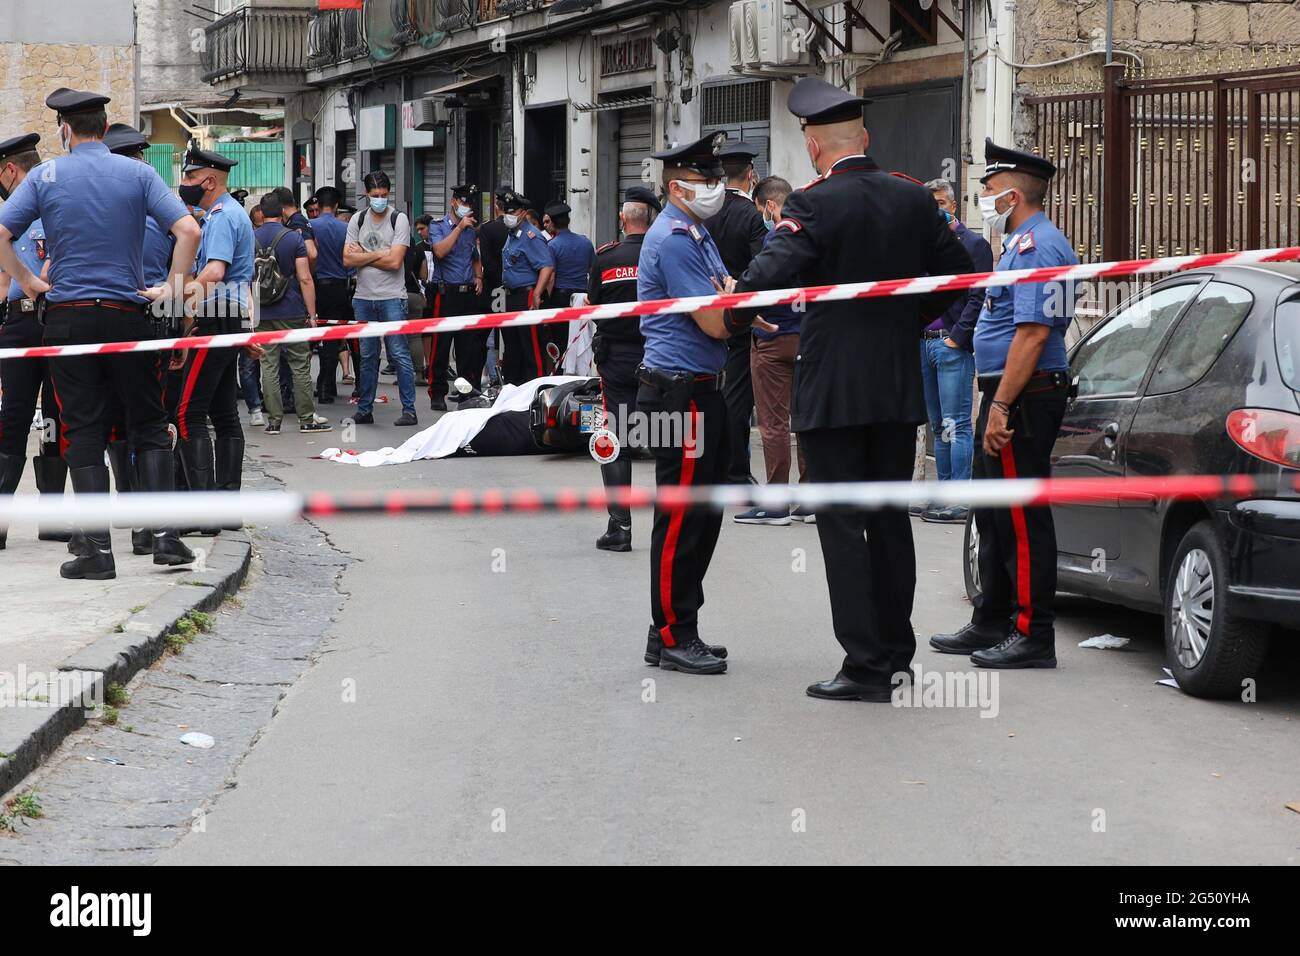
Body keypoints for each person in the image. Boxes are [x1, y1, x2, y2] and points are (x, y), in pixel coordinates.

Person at [736, 77, 974, 701]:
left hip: (835, 390)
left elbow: (764, 276)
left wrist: (730, 313)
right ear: (864, 139)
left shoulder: (813, 204)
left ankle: (864, 664)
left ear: (813, 147)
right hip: (896, 388)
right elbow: (962, 276)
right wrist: (907, 323)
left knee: (843, 524)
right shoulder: (914, 197)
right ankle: (896, 654)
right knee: (891, 519)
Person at [0, 88, 203, 578]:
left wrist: (28, 281)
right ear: (106, 127)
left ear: (65, 129)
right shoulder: (137, 173)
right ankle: (165, 537)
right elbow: (190, 231)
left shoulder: (45, 174)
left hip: (68, 319)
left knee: (82, 428)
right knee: (149, 424)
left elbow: (2, 233)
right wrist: (172, 292)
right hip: (128, 313)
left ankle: (96, 552)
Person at [928, 139, 1077, 670]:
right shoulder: (1019, 244)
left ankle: (1032, 632)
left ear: (1013, 195)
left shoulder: (1041, 246)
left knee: (1020, 515)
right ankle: (991, 618)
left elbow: (1034, 335)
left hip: (1026, 392)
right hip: (1007, 389)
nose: (983, 200)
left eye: (989, 190)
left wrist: (1001, 407)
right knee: (991, 512)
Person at [638, 132, 777, 675]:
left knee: (704, 514)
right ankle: (672, 634)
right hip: (679, 394)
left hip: (704, 388)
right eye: (704, 180)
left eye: (717, 179)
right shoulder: (673, 238)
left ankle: (677, 627)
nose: (716, 188)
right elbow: (717, 318)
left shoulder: (696, 231)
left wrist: (748, 304)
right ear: (677, 186)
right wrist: (742, 313)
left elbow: (725, 286)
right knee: (680, 518)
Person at [171, 147, 257, 532]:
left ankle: (204, 511)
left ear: (209, 181)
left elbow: (216, 272)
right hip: (228, 320)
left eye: (190, 178)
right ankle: (225, 505)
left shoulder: (222, 218)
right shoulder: (229, 214)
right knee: (224, 415)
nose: (185, 185)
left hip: (217, 321)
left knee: (188, 413)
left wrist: (173, 292)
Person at [0, 133, 68, 550]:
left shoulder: (17, 212)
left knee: (21, 418)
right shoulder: (58, 208)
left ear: (11, 169)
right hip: (49, 322)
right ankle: (47, 520)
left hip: (31, 321)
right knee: (51, 417)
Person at [914, 177, 994, 524]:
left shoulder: (974, 244)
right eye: (930, 206)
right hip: (924, 345)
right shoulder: (922, 245)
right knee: (936, 424)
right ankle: (944, 494)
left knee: (956, 423)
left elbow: (978, 296)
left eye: (941, 205)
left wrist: (957, 338)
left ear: (954, 206)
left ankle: (960, 500)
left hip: (951, 345)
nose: (936, 211)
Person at [733, 175, 810, 526]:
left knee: (774, 423)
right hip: (807, 339)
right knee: (805, 420)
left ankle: (776, 502)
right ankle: (809, 499)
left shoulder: (776, 239)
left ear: (769, 206)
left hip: (773, 339)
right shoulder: (809, 235)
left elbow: (756, 282)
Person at [587, 185, 660, 553]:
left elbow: (591, 305)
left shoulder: (605, 258)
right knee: (669, 438)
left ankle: (621, 528)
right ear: (654, 218)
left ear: (622, 218)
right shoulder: (665, 254)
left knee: (618, 441)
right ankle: (671, 528)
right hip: (661, 359)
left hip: (617, 361)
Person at [704, 141, 767, 488]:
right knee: (736, 395)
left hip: (702, 314)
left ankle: (709, 464)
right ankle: (735, 470)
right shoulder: (751, 217)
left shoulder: (704, 213)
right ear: (750, 176)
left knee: (707, 389)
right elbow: (762, 267)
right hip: (739, 316)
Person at [344, 170, 417, 426]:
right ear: (366, 194)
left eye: (384, 195)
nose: (380, 199)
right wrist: (378, 254)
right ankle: (365, 409)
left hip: (392, 298)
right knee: (367, 356)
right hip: (363, 298)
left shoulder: (399, 220)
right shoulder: (358, 219)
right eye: (375, 195)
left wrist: (363, 253)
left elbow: (396, 262)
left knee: (399, 354)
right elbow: (347, 259)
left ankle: (409, 410)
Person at [254, 193, 330, 435]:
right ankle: (306, 419)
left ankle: (273, 422)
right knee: (299, 365)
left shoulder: (249, 239)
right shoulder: (293, 239)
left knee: (268, 366)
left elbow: (246, 279)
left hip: (262, 312)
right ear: (283, 212)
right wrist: (312, 313)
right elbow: (305, 278)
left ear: (261, 213)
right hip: (293, 311)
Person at [424, 184, 486, 410]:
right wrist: (459, 228)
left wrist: (478, 277)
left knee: (467, 349)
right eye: (463, 203)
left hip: (467, 294)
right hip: (446, 293)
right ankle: (437, 393)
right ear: (453, 202)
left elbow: (474, 256)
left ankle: (465, 393)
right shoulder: (438, 226)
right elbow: (440, 251)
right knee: (440, 347)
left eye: (470, 204)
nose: (467, 208)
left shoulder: (472, 230)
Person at [499, 191, 555, 384]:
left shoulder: (532, 236)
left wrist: (537, 294)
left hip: (526, 296)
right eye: (506, 211)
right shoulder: (512, 234)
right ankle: (514, 390)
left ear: (523, 213)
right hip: (511, 297)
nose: (508, 215)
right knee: (513, 349)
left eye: (512, 211)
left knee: (531, 349)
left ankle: (535, 389)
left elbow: (546, 266)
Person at [310, 186, 354, 405]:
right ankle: (326, 386)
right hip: (338, 289)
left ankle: (310, 386)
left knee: (307, 340)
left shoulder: (309, 226)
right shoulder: (345, 229)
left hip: (313, 288)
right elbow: (352, 263)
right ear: (337, 206)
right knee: (332, 340)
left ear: (317, 206)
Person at [542, 200, 594, 365]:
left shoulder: (552, 245)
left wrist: (547, 301)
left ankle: (561, 374)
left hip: (561, 298)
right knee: (581, 339)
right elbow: (593, 271)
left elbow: (550, 277)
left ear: (554, 223)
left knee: (561, 341)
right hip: (583, 297)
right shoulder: (586, 242)